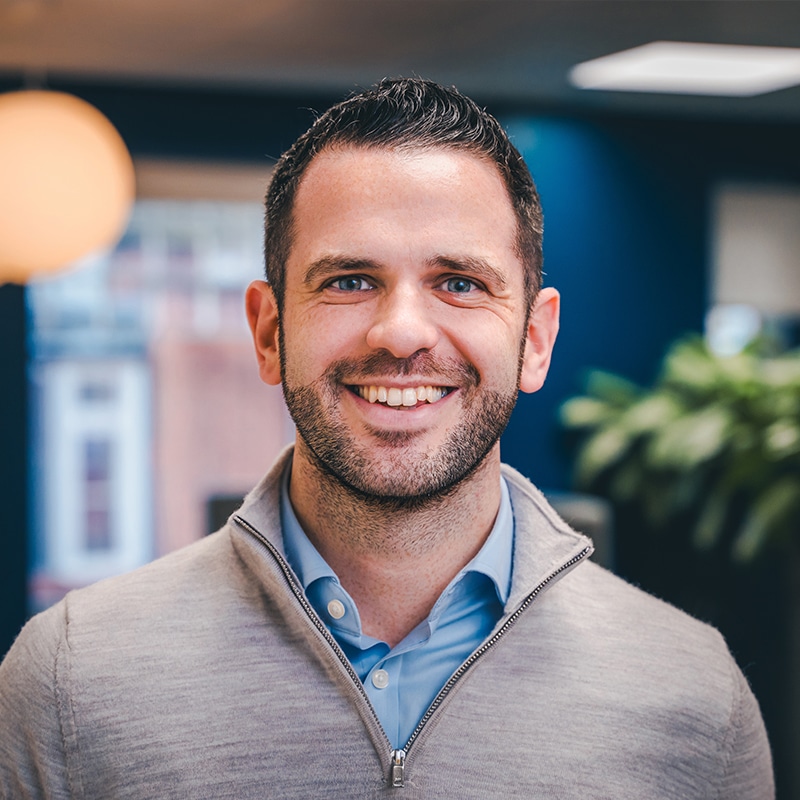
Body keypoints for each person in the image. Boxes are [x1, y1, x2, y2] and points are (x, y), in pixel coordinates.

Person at [0, 78, 773, 798]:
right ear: (269, 332)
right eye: (348, 280)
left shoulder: (695, 699)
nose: (401, 330)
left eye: (460, 283)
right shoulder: (71, 679)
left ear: (536, 341)